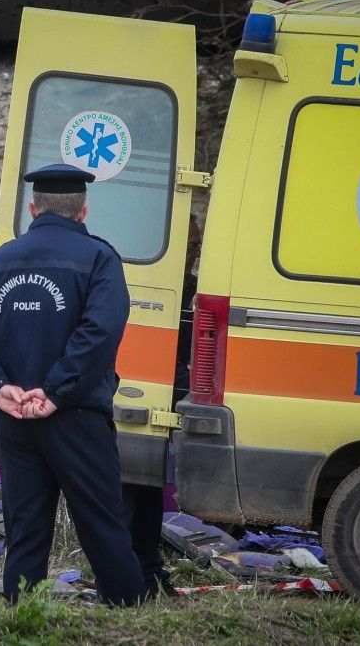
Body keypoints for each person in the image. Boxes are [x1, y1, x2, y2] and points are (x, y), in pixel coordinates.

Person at [0, 163, 146, 606]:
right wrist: (56, 391)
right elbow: (99, 331)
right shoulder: (99, 258)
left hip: (14, 419)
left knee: (25, 528)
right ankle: (129, 614)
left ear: (33, 209)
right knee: (101, 523)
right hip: (76, 417)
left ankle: (23, 617)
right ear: (83, 212)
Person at [122, 214, 202, 597]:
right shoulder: (147, 285)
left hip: (167, 388)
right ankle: (127, 568)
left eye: (196, 248)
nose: (192, 256)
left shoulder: (193, 290)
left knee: (150, 486)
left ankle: (146, 565)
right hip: (140, 389)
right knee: (132, 486)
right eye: (189, 247)